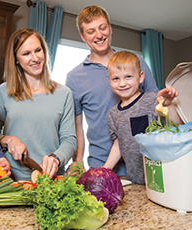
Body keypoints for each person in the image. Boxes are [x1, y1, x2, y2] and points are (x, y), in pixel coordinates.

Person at [65, 5, 159, 176]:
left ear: (110, 28)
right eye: (91, 31)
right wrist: (77, 163)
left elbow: (158, 106)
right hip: (101, 164)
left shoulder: (136, 62)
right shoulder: (74, 77)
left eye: (102, 28)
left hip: (144, 161)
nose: (99, 35)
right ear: (82, 36)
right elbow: (77, 126)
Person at [0, 28, 77, 181]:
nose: (35, 58)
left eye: (38, 50)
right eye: (26, 53)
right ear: (16, 59)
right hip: (11, 179)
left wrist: (56, 158)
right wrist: (8, 140)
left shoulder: (64, 93)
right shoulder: (4, 91)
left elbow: (69, 140)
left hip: (52, 179)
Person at [103, 51, 182, 184]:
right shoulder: (112, 114)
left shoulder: (152, 100)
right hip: (134, 180)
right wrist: (105, 169)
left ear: (140, 77)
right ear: (110, 80)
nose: (122, 84)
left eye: (128, 76)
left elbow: (175, 127)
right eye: (116, 78)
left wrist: (169, 105)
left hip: (162, 179)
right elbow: (118, 145)